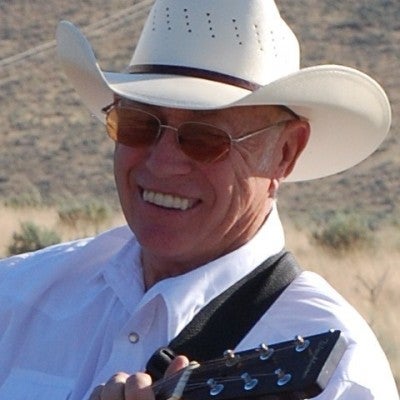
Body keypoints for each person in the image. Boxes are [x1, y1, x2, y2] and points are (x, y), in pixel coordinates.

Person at [0, 0, 398, 399]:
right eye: (139, 125)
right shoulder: (15, 297)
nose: (164, 163)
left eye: (206, 139)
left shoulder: (343, 378)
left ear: (285, 152)